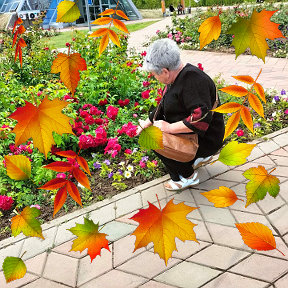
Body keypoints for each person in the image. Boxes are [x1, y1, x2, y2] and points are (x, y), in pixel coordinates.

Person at [136, 38, 225, 191]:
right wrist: (148, 122)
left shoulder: (194, 82)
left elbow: (201, 118)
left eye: (154, 75)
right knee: (150, 130)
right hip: (197, 135)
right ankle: (196, 159)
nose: (154, 78)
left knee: (152, 139)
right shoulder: (179, 75)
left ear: (165, 71)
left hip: (207, 138)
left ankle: (187, 177)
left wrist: (168, 128)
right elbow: (164, 105)